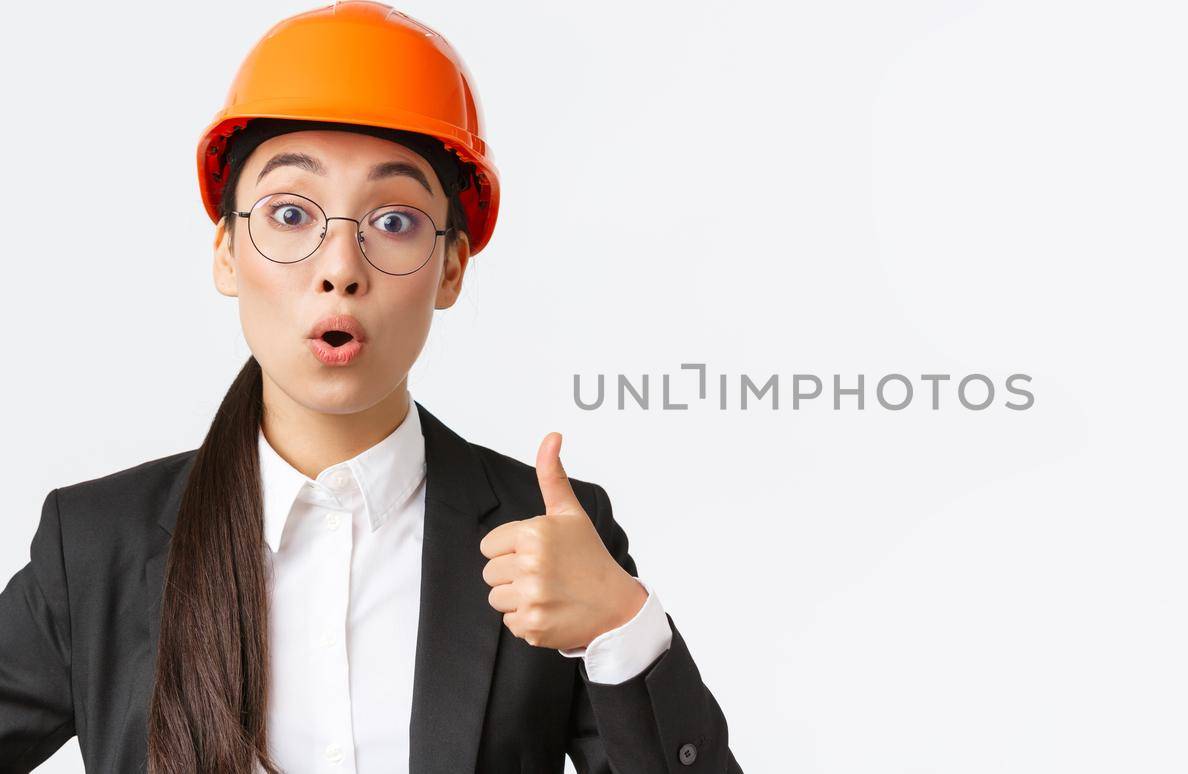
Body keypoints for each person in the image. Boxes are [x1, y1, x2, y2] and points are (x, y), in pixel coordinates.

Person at [0, 2, 740, 772]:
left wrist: (622, 625)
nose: (340, 266)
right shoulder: (94, 548)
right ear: (226, 252)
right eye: (290, 213)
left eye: (393, 221)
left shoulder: (552, 539)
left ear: (450, 267)